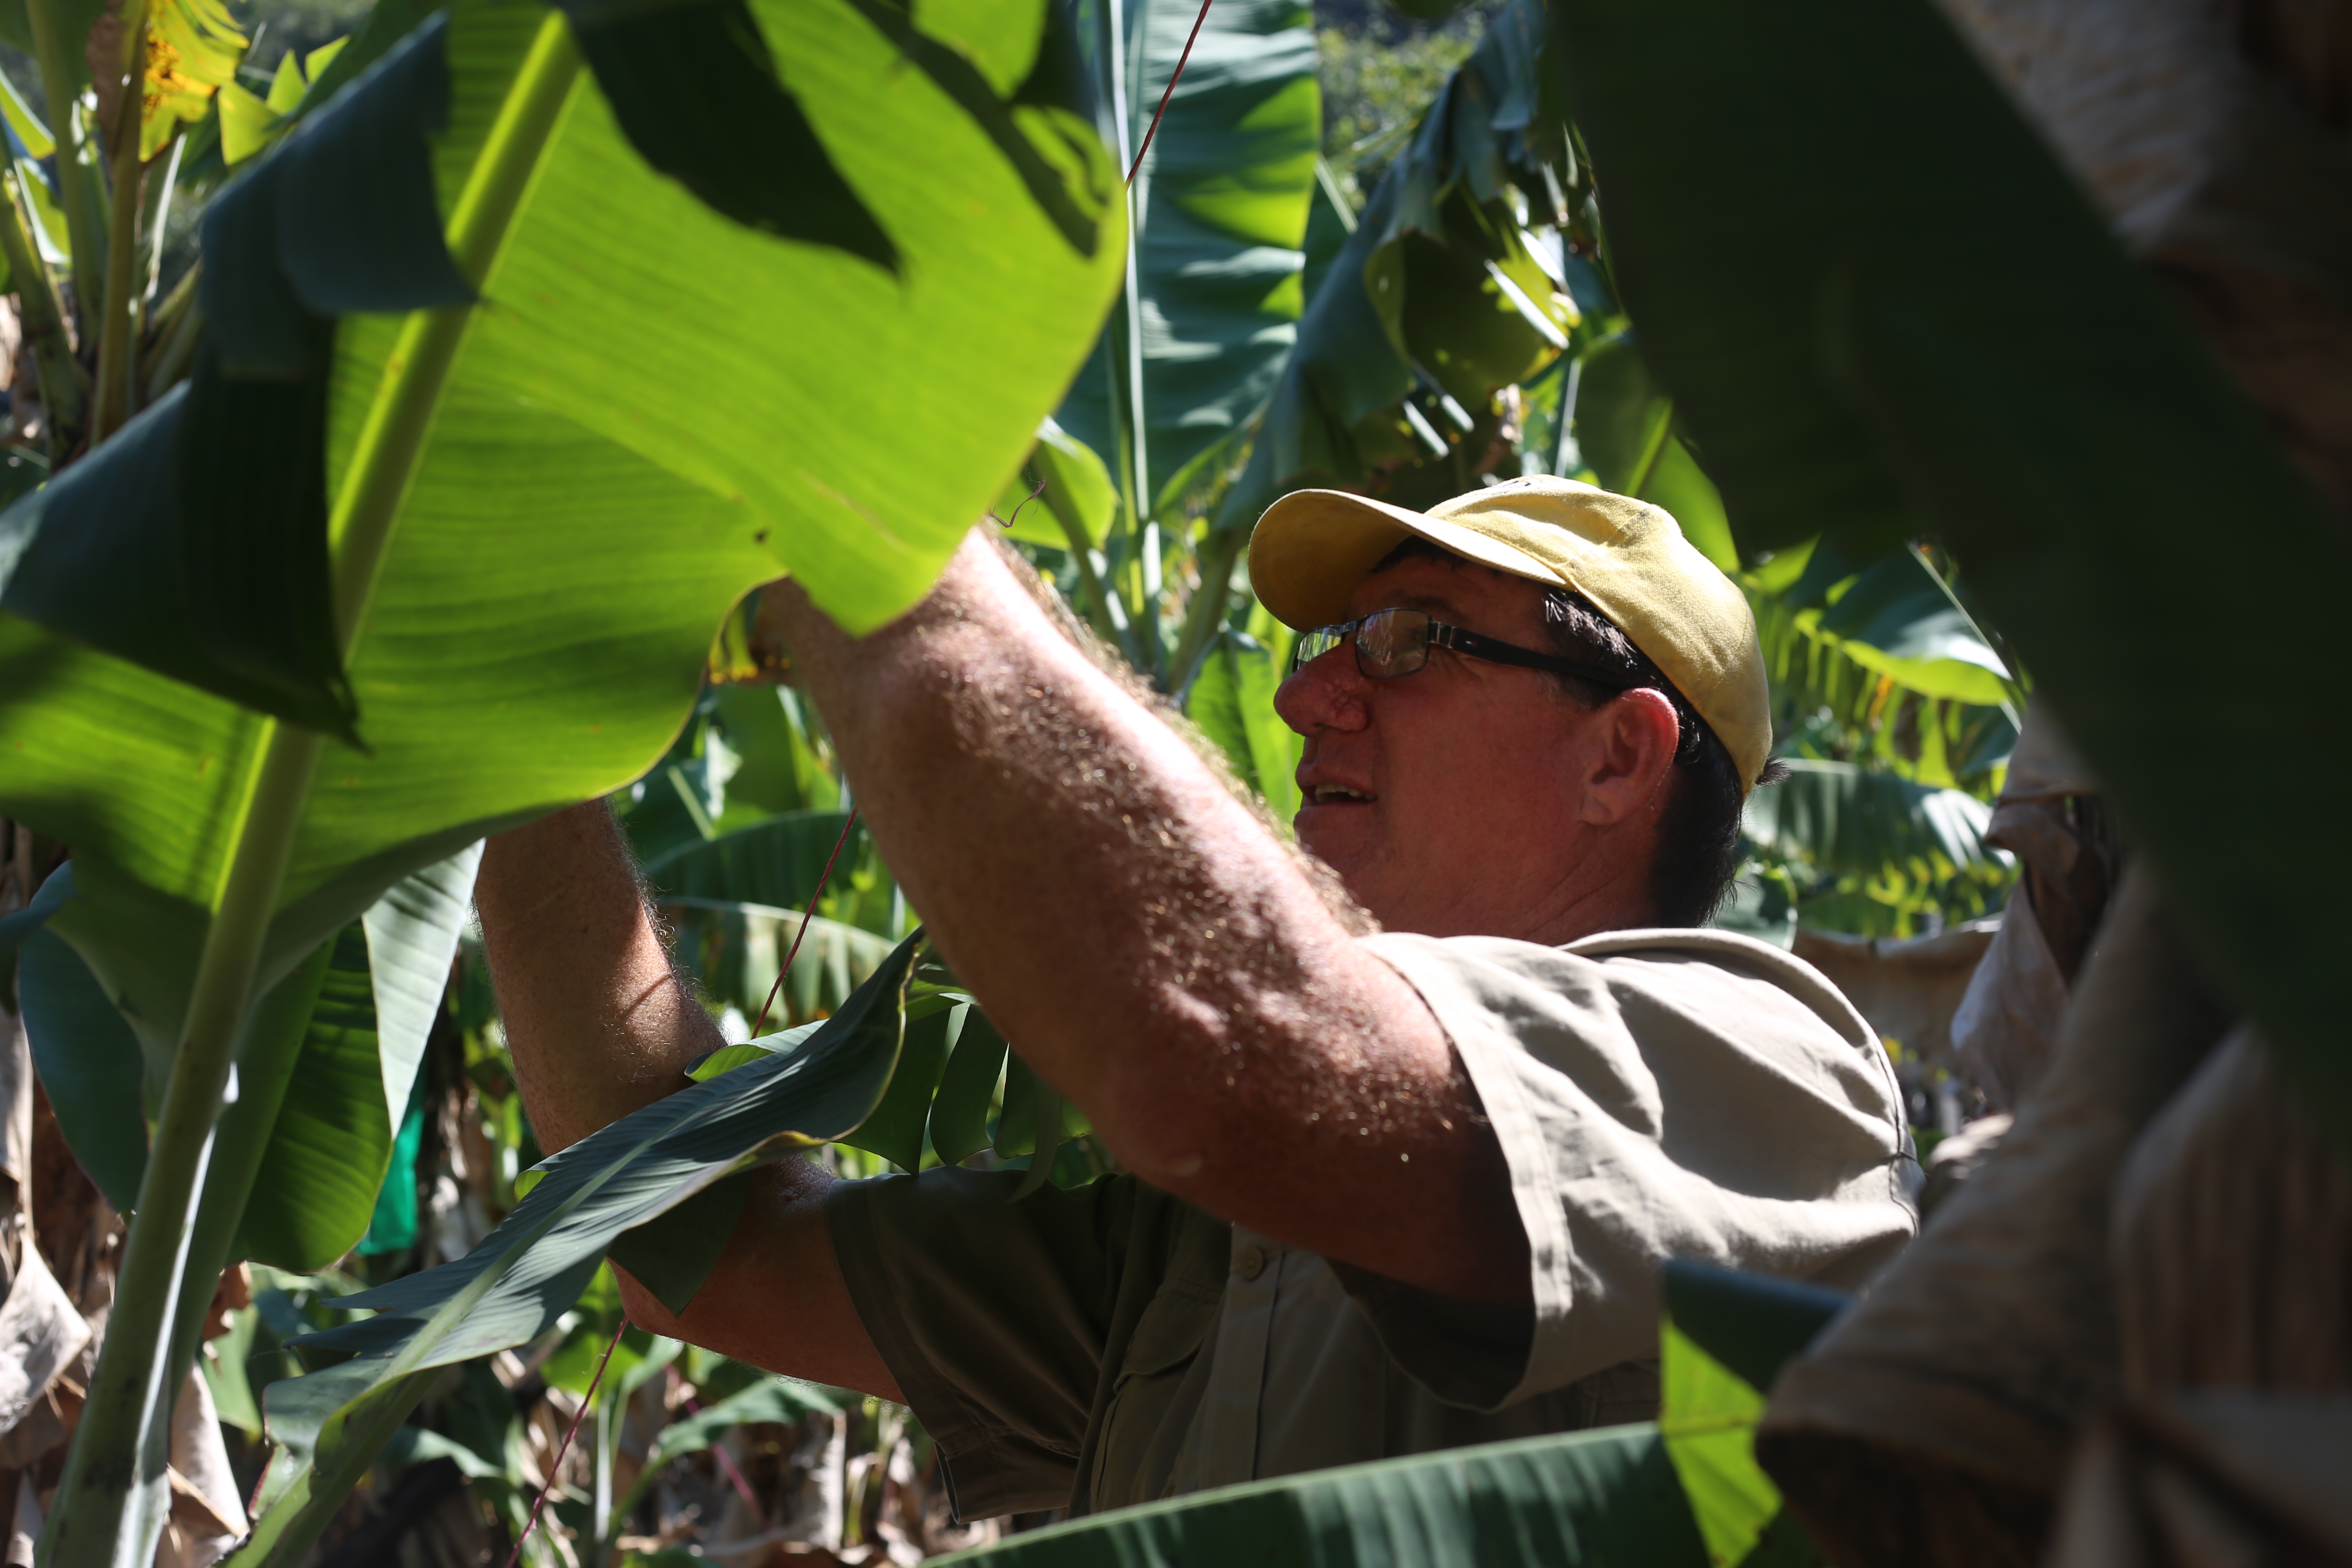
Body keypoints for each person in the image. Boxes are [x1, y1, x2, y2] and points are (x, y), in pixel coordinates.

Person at [476, 476, 1916, 1521]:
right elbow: (684, 1239)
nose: (1307, 703)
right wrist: (518, 742)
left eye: (1412, 642)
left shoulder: (1774, 1071)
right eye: (1328, 649)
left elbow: (1211, 1042)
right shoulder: (1201, 1255)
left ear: (1620, 759)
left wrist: (835, 468)